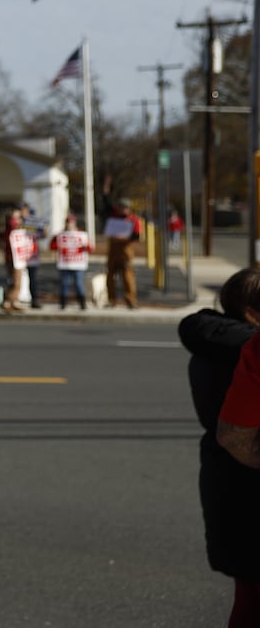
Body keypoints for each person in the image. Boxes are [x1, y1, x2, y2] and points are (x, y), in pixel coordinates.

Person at [179, 269, 260, 627]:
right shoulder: (248, 350)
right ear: (251, 311)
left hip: (223, 478)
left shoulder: (210, 343)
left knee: (249, 597)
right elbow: (236, 434)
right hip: (249, 484)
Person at [100, 178, 142, 309]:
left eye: (125, 207)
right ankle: (112, 300)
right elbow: (107, 202)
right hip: (113, 250)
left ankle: (130, 299)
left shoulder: (134, 220)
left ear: (129, 208)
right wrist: (106, 187)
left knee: (127, 276)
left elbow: (136, 236)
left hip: (125, 250)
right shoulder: (114, 216)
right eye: (121, 207)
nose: (123, 209)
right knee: (110, 276)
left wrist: (123, 238)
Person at [48, 214, 93, 311]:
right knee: (64, 284)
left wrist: (86, 245)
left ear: (74, 223)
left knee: (79, 283)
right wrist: (57, 242)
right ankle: (63, 303)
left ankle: (82, 303)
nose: (69, 224)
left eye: (71, 222)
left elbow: (90, 248)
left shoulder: (82, 234)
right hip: (65, 264)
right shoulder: (60, 235)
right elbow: (52, 247)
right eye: (68, 222)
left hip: (78, 264)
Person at [1, 209, 26, 315]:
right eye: (16, 217)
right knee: (15, 281)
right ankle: (9, 300)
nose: (18, 220)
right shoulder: (10, 231)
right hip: (12, 259)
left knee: (16, 281)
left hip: (19, 259)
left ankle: (13, 301)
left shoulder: (21, 230)